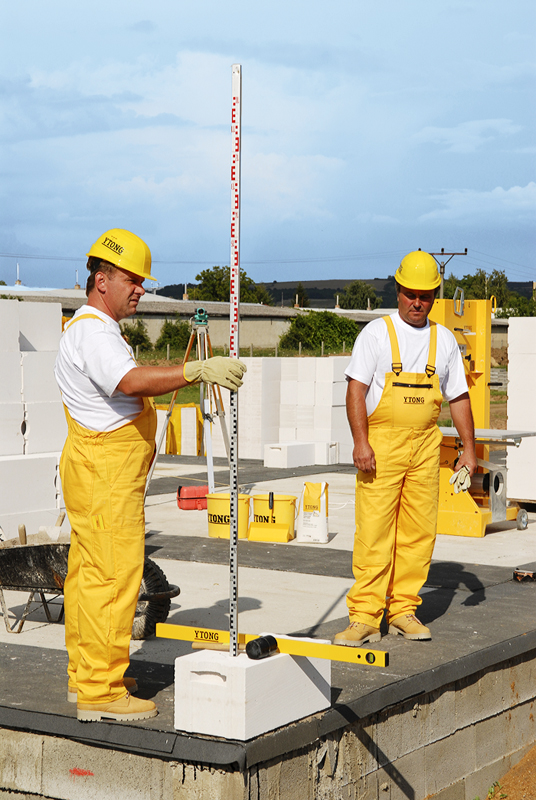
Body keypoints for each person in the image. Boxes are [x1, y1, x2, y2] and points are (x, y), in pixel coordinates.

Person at [55, 228, 246, 722]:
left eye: (142, 280)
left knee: (87, 576)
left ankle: (87, 674)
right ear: (102, 280)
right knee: (113, 578)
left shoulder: (94, 329)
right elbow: (130, 381)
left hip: (96, 467)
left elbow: (125, 380)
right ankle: (101, 691)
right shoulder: (94, 332)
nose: (141, 288)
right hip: (105, 473)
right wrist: (196, 371)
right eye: (132, 280)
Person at [334, 251, 477, 647]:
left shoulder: (444, 340)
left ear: (435, 296)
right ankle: (364, 616)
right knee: (375, 532)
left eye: (426, 295)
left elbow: (459, 397)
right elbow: (356, 391)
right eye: (411, 294)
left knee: (418, 532)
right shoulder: (376, 334)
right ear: (398, 291)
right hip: (380, 447)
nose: (418, 302)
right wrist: (360, 442)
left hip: (425, 447)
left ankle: (402, 611)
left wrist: (469, 448)